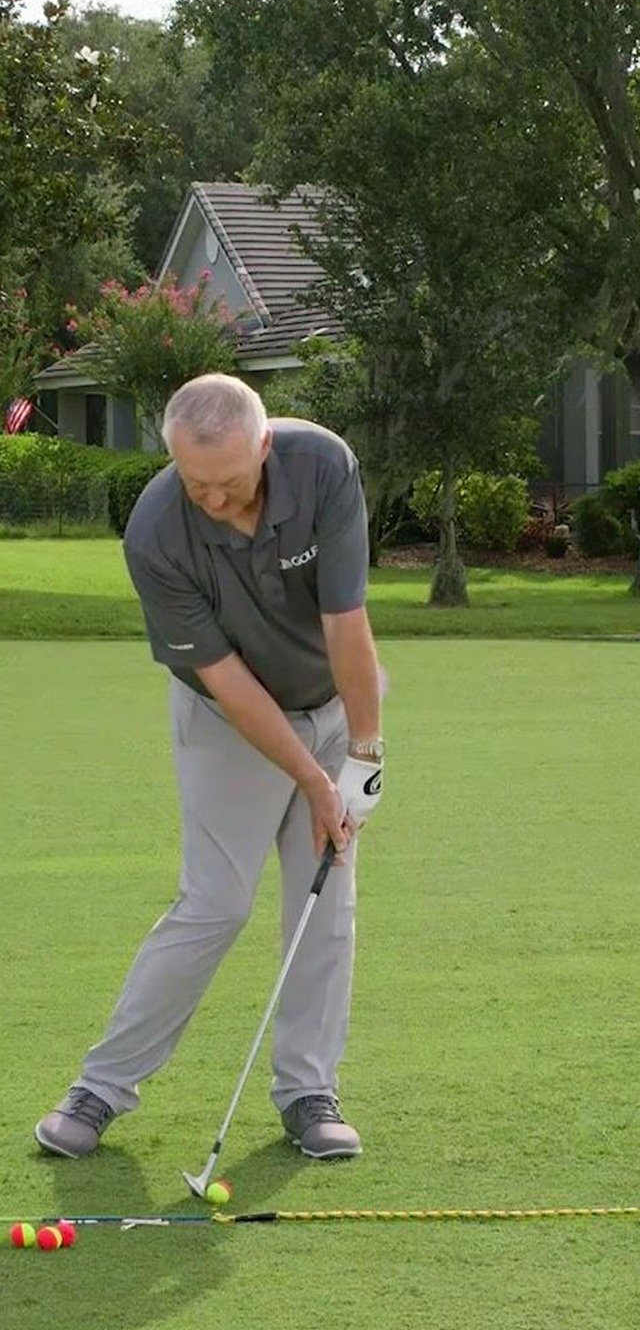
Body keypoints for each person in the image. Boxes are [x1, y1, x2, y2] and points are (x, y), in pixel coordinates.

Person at [35, 373, 385, 1158]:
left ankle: (309, 1092)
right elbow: (228, 683)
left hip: (330, 706)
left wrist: (363, 754)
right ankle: (100, 1088)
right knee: (216, 903)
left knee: (324, 904)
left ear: (263, 445)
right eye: (198, 485)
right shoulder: (155, 532)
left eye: (229, 481)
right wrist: (312, 780)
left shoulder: (324, 466)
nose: (216, 500)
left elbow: (347, 623)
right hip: (228, 718)